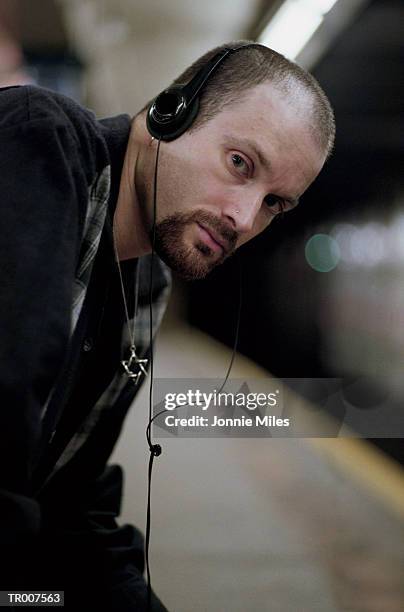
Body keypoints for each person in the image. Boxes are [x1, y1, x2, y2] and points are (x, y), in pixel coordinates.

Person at [0, 41, 334, 610]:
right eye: (240, 164)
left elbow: (70, 500)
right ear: (168, 115)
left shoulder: (145, 287)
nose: (243, 218)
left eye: (274, 202)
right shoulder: (41, 141)